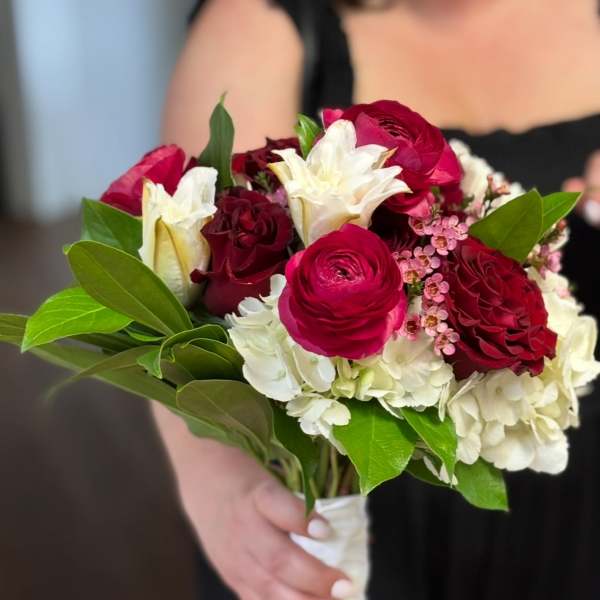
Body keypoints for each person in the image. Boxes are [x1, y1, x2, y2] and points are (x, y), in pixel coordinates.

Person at [156, 1, 600, 598]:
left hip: (574, 501)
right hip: (348, 505)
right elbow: (177, 296)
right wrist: (219, 486)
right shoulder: (260, 21)